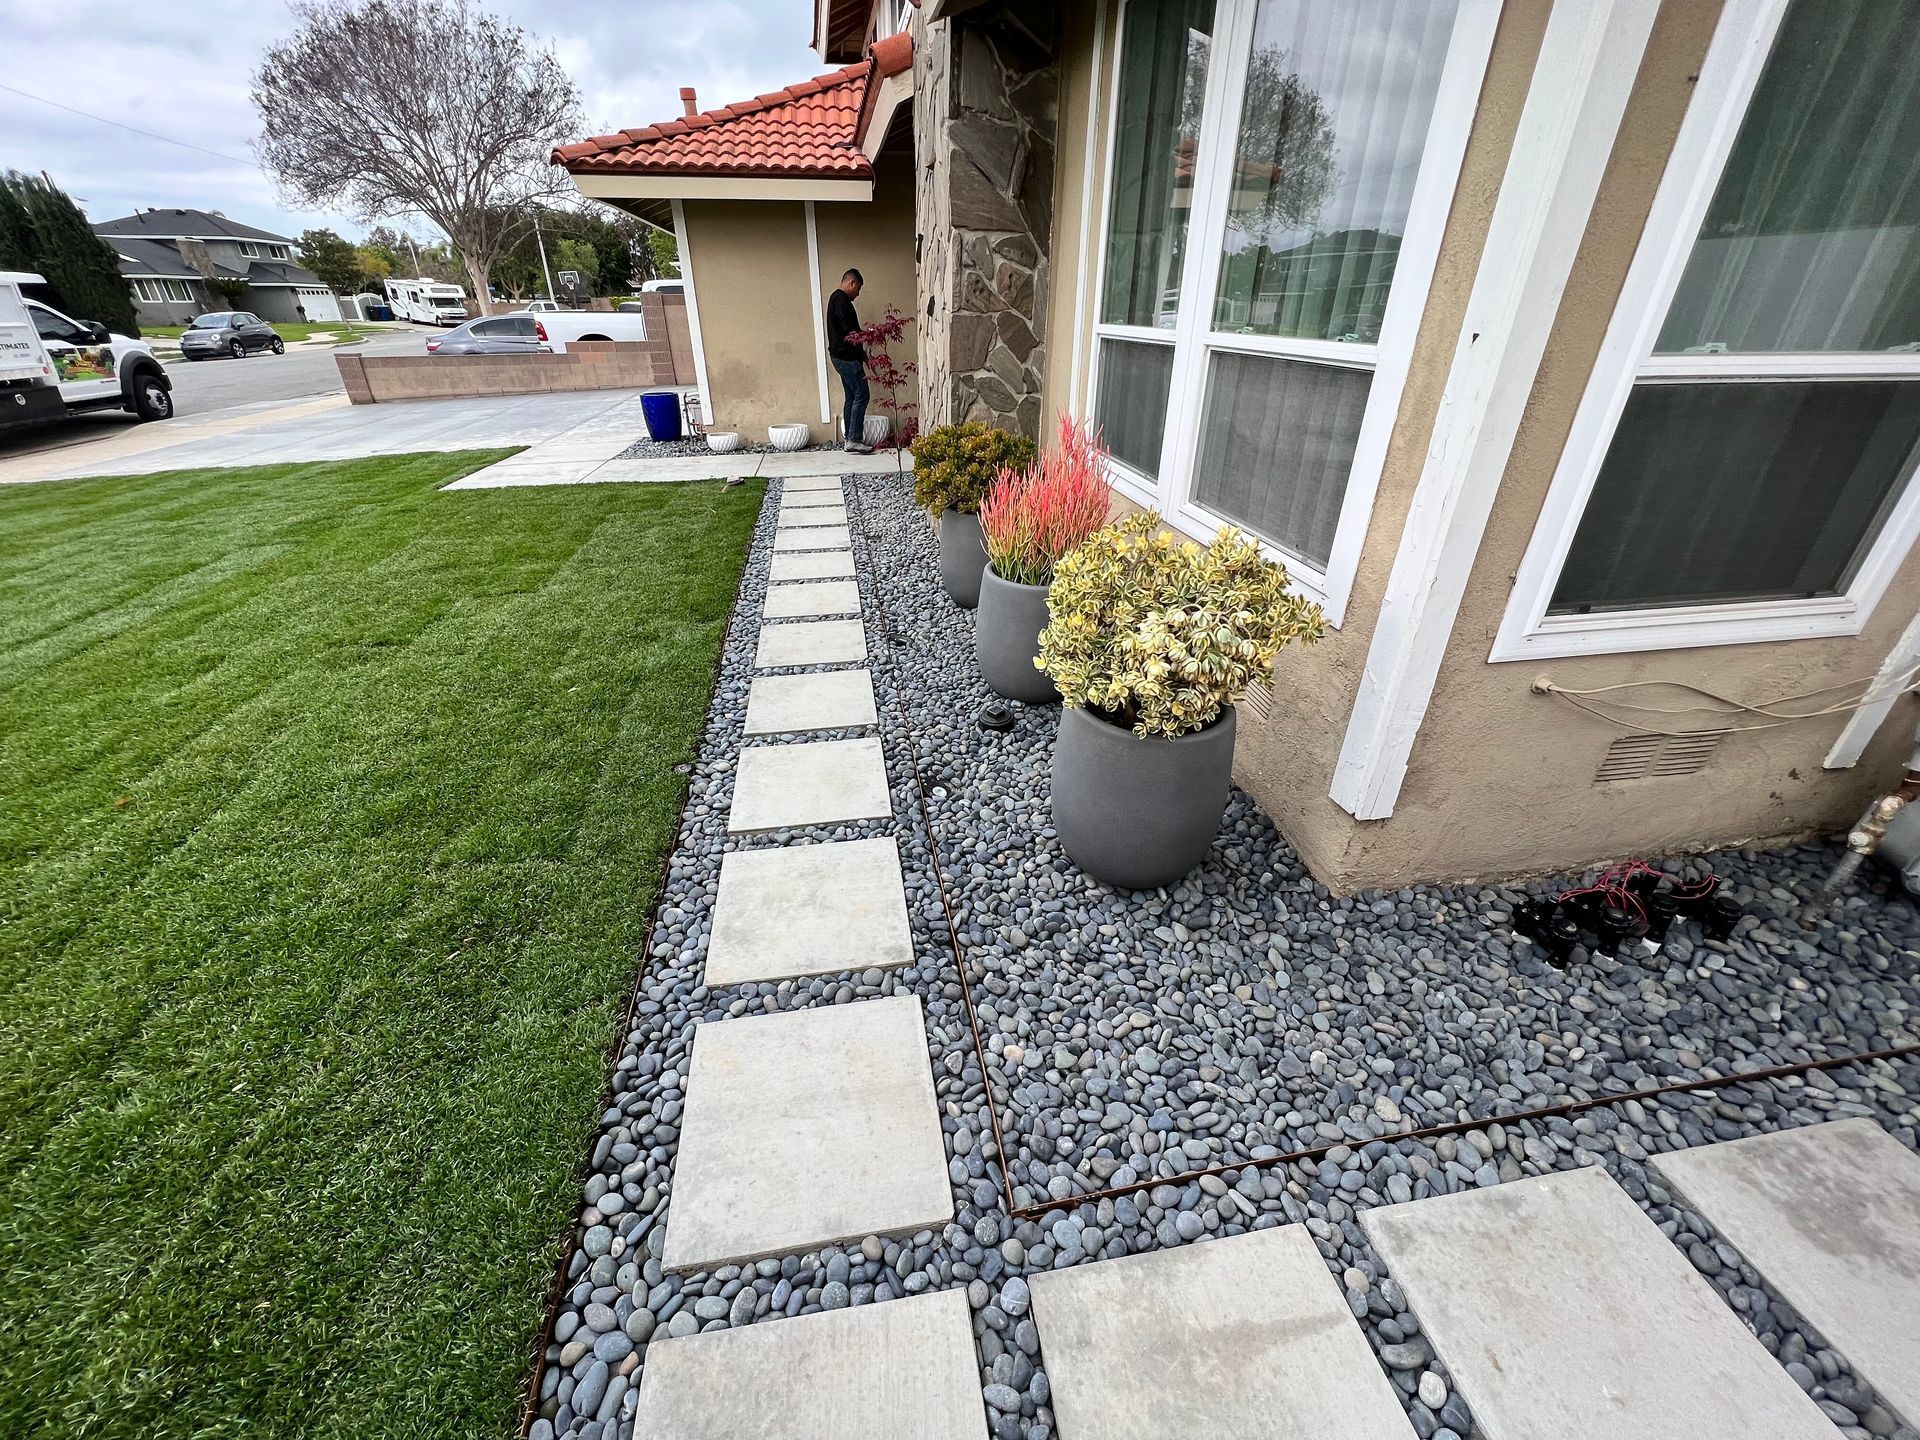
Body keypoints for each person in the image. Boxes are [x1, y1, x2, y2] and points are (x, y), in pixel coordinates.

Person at [826, 268, 871, 454]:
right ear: (851, 283)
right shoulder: (840, 299)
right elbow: (849, 331)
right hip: (846, 358)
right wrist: (866, 336)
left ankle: (849, 439)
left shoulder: (837, 299)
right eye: (858, 288)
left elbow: (848, 331)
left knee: (852, 396)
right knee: (862, 394)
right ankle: (854, 439)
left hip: (843, 357)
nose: (858, 294)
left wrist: (862, 354)